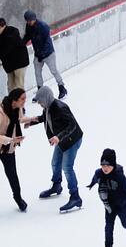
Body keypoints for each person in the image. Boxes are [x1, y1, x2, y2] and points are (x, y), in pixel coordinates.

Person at [26, 83, 84, 212]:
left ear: (46, 98)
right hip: (62, 140)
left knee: (67, 167)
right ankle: (57, 186)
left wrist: (58, 137)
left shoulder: (60, 107)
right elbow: (44, 118)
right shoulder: (48, 107)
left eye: (40, 101)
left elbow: (72, 125)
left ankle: (75, 197)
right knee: (55, 163)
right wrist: (31, 121)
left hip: (72, 140)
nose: (40, 104)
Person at [87, 148, 126, 247]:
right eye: (103, 165)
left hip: (122, 205)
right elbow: (96, 177)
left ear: (113, 165)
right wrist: (92, 184)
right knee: (108, 227)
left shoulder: (120, 177)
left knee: (125, 223)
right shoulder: (99, 173)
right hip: (109, 205)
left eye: (108, 165)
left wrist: (120, 204)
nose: (105, 168)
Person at [22, 11, 66, 98]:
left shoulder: (43, 26)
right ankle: (40, 92)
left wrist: (42, 54)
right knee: (37, 73)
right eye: (27, 21)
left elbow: (46, 42)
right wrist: (21, 44)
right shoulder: (29, 26)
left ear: (34, 19)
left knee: (54, 71)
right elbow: (28, 36)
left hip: (48, 53)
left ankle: (62, 88)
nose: (28, 22)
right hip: (38, 54)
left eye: (30, 20)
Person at [1, 87, 27, 211]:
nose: (24, 101)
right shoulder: (1, 113)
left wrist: (35, 119)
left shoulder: (17, 109)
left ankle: (18, 198)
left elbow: (20, 120)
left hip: (8, 149)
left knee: (12, 175)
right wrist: (11, 140)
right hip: (5, 143)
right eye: (22, 99)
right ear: (14, 100)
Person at [0, 16, 30, 92]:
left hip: (19, 62)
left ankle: (20, 102)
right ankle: (11, 102)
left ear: (2, 26)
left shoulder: (11, 32)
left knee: (19, 85)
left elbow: (7, 48)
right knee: (10, 86)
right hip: (10, 65)